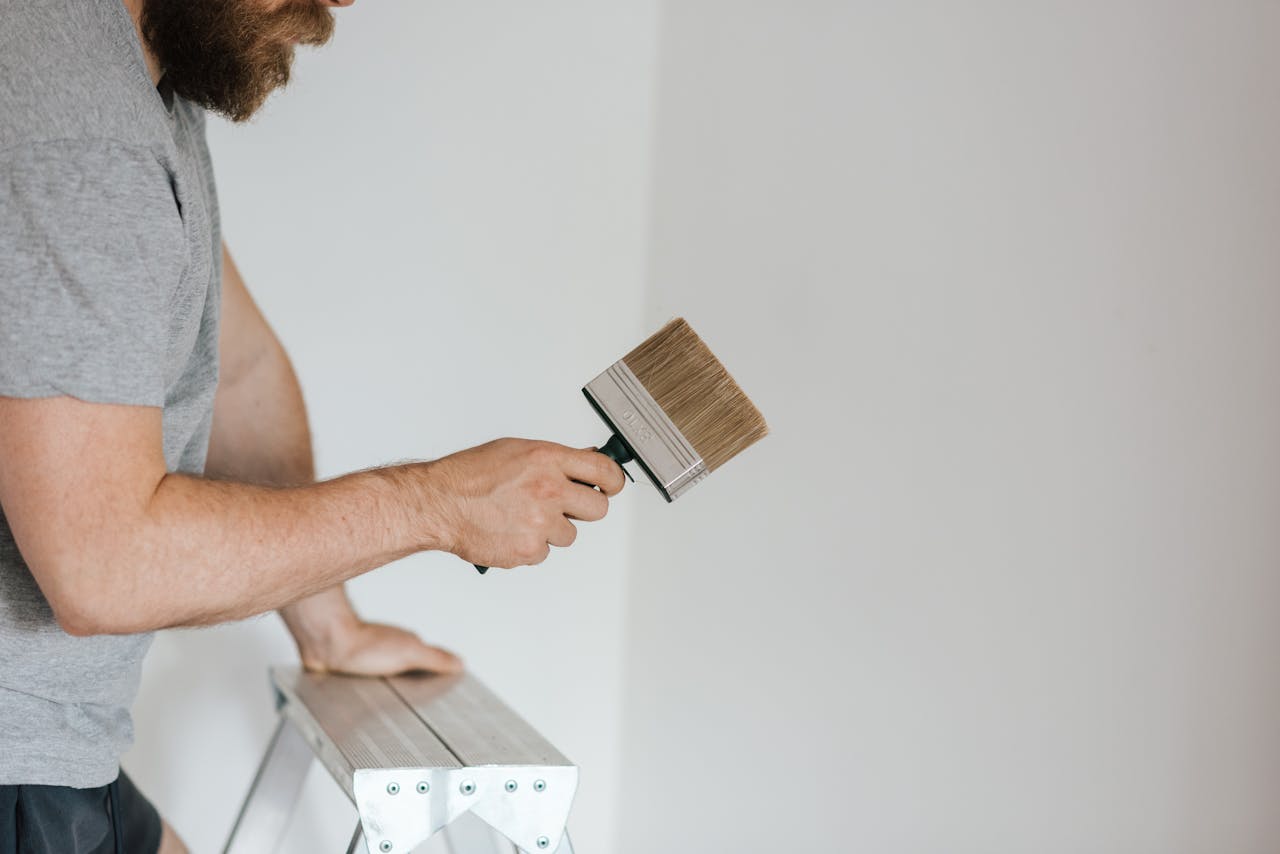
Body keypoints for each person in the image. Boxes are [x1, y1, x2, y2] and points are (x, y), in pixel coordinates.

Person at [0, 0, 627, 851]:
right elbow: (103, 566)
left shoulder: (134, 77)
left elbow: (237, 369)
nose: (339, 3)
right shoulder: (81, 134)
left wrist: (326, 622)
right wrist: (433, 506)